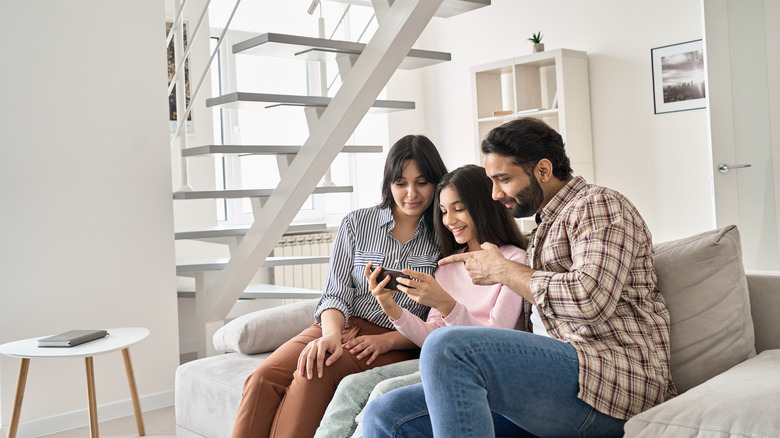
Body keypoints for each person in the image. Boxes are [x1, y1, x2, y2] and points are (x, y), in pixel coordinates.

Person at [363, 118, 678, 437]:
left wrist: (501, 270)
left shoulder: (598, 206)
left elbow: (589, 299)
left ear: (543, 170)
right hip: (553, 382)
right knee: (386, 412)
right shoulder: (543, 229)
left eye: (503, 179)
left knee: (449, 346)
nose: (496, 194)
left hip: (611, 381)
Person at [230, 135, 448, 438]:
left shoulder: (446, 235)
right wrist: (330, 335)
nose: (411, 193)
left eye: (422, 183)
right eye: (401, 183)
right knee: (262, 378)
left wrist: (388, 341)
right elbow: (335, 293)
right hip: (338, 325)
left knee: (314, 373)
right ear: (389, 183)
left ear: (436, 183)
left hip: (395, 339)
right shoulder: (356, 224)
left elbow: (440, 321)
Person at [315, 165, 528, 438]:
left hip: (485, 370)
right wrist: (391, 308)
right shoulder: (447, 267)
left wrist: (447, 305)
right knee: (351, 387)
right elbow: (432, 336)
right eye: (443, 211)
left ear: (483, 206)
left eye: (459, 208)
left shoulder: (513, 262)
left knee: (382, 393)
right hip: (441, 359)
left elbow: (495, 342)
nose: (449, 220)